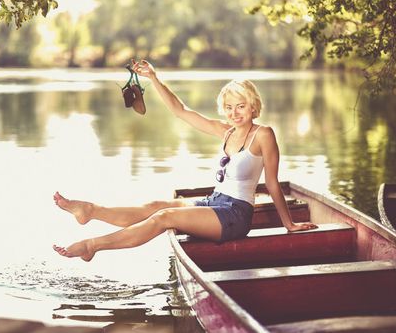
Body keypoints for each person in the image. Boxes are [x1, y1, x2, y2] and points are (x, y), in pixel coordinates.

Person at [53, 60, 317, 261]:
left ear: (252, 106)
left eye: (240, 106)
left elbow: (272, 183)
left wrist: (289, 224)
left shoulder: (264, 135)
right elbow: (180, 111)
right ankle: (91, 211)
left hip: (235, 216)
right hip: (214, 203)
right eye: (228, 107)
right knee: (157, 206)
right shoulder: (225, 131)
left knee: (165, 217)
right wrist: (154, 78)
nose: (234, 113)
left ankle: (93, 246)